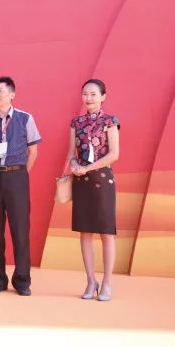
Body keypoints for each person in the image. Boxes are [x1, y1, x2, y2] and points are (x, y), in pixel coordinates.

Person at [0, 76, 41, 296]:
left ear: (12, 94)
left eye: (1, 91)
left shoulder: (25, 118)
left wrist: (19, 173)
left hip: (17, 177)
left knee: (20, 231)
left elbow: (33, 152)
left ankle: (22, 281)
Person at [64, 79, 120, 302]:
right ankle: (90, 281)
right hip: (82, 182)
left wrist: (88, 167)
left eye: (93, 94)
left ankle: (107, 282)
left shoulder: (110, 121)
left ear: (103, 96)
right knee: (85, 232)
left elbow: (114, 154)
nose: (88, 98)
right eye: (85, 94)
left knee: (106, 233)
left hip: (103, 181)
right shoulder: (76, 122)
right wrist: (74, 165)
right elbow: (71, 153)